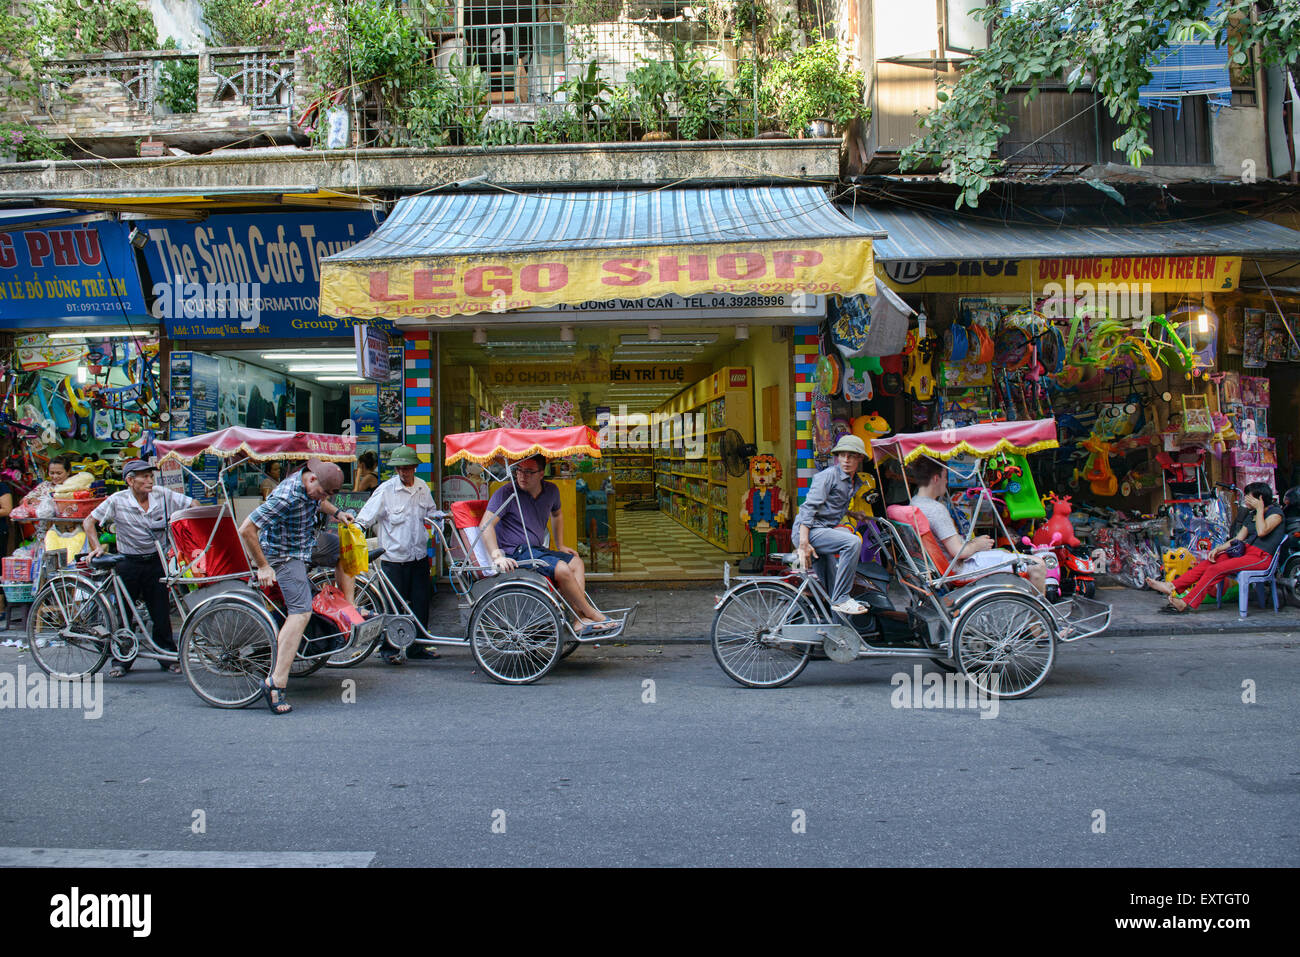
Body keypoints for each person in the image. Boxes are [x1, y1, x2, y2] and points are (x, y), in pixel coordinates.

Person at [238, 458, 356, 715]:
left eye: (327, 494)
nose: (322, 497)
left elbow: (319, 500)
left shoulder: (314, 488)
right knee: (301, 612)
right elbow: (246, 529)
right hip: (282, 555)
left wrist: (337, 513)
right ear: (311, 478)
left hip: (304, 545)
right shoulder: (286, 496)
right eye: (322, 491)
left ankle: (350, 610)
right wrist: (263, 566)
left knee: (345, 550)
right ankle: (276, 682)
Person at [478, 453, 614, 635]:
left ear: (541, 473)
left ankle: (579, 619)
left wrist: (561, 545)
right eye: (518, 470)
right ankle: (588, 614)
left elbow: (557, 514)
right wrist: (497, 555)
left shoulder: (551, 491)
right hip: (515, 552)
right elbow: (485, 525)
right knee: (563, 569)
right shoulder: (506, 493)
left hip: (536, 550)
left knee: (576, 563)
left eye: (529, 472)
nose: (522, 476)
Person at [84, 461, 196, 677]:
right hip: (127, 562)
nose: (149, 481)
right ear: (130, 480)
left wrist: (188, 532)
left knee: (161, 612)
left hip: (156, 561)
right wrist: (96, 547)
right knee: (124, 613)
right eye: (144, 477)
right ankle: (122, 660)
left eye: (150, 476)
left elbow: (193, 504)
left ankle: (166, 657)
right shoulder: (117, 500)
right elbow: (89, 522)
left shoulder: (163, 495)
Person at [908, 455, 1047, 594]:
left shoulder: (914, 503)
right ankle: (1039, 614)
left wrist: (974, 544)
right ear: (936, 479)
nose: (946, 482)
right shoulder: (935, 509)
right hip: (960, 569)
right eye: (945, 477)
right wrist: (977, 545)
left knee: (1004, 552)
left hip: (949, 565)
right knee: (1037, 564)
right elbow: (958, 552)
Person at [355, 446, 440, 664]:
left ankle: (417, 646)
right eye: (400, 469)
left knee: (420, 602)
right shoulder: (386, 490)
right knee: (393, 606)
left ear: (414, 468)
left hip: (418, 555)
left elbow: (431, 512)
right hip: (394, 558)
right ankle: (389, 649)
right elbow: (365, 517)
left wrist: (440, 517)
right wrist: (353, 531)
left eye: (407, 468)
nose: (404, 472)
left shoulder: (422, 488)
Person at [1145, 482, 1284, 612]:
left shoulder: (1276, 514)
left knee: (1216, 569)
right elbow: (1238, 538)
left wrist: (1260, 509)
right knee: (1212, 560)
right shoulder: (1251, 515)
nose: (1246, 500)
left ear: (1260, 499)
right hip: (1246, 553)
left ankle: (1186, 602)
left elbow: (1262, 531)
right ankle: (1172, 585)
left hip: (1262, 558)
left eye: (1249, 497)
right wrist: (1218, 549)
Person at [793, 435, 871, 614]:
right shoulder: (827, 476)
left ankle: (839, 632)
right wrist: (804, 543)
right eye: (842, 455)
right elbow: (808, 508)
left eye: (851, 455)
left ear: (859, 458)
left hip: (820, 531)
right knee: (852, 542)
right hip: (809, 531)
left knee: (831, 591)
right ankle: (843, 598)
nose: (846, 460)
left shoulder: (853, 481)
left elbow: (831, 506)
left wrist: (853, 514)